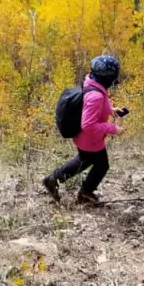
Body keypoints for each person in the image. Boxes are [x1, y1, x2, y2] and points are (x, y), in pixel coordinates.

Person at [43, 55, 123, 206]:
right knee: (101, 165)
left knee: (85, 160)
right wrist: (113, 129)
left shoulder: (92, 83)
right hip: (89, 138)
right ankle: (84, 193)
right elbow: (88, 124)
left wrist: (111, 110)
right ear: (107, 78)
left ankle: (54, 179)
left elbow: (95, 106)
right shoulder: (96, 96)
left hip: (84, 137)